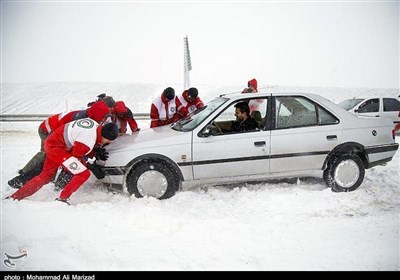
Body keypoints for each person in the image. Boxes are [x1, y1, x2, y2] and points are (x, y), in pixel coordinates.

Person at [8, 120, 119, 204]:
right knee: (83, 174)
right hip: (57, 148)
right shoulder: (88, 139)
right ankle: (63, 198)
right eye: (108, 141)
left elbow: (78, 143)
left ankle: (15, 197)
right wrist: (91, 166)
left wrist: (94, 150)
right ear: (105, 136)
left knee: (45, 176)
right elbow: (75, 158)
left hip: (52, 142)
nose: (107, 143)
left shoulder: (94, 124)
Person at [7, 101, 111, 189]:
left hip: (60, 137)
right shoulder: (81, 118)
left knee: (59, 163)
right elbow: (77, 146)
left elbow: (83, 142)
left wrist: (95, 149)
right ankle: (22, 178)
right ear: (98, 113)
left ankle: (51, 182)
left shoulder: (92, 118)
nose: (103, 120)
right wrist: (89, 164)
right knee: (47, 159)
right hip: (48, 131)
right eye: (103, 117)